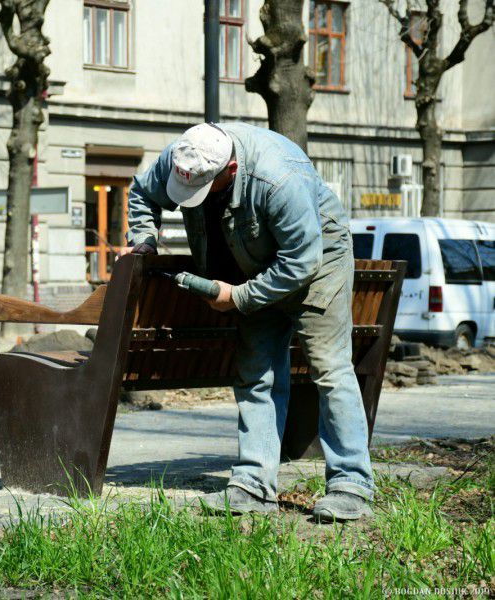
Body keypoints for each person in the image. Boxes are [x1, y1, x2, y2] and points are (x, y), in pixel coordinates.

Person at [127, 122, 373, 522]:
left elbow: (301, 261)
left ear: (232, 168)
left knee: (329, 369)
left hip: (317, 260)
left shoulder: (279, 179)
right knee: (256, 372)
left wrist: (239, 297)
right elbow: (143, 193)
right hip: (252, 263)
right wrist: (143, 238)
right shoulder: (186, 155)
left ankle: (352, 484)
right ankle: (254, 485)